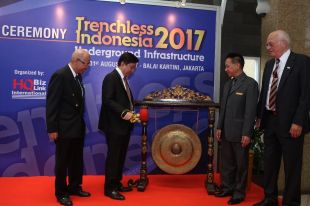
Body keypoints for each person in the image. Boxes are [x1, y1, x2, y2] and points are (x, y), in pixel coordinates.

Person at [254, 30, 310, 206]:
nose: (267, 47)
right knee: (270, 164)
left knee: (292, 167)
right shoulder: (270, 64)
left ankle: (291, 202)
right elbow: (265, 93)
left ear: (283, 43)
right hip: (270, 121)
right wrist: (259, 117)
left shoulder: (301, 61)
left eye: (270, 44)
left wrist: (298, 121)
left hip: (291, 124)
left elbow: (306, 95)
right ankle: (270, 198)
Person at [46, 49, 91, 206]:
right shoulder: (60, 75)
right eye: (87, 63)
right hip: (64, 128)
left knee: (76, 160)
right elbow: (52, 104)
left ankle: (74, 186)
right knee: (63, 162)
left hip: (77, 127)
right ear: (77, 61)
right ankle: (61, 192)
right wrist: (52, 129)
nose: (88, 67)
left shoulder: (78, 76)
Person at [215, 53, 259, 205]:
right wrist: (219, 127)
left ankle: (239, 193)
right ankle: (227, 187)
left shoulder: (250, 84)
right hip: (226, 131)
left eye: (228, 66)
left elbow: (250, 112)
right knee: (227, 163)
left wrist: (247, 133)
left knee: (241, 164)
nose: (226, 69)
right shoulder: (228, 84)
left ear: (237, 65)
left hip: (241, 132)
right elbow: (223, 108)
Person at [98, 52, 139, 200]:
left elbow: (124, 100)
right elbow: (107, 100)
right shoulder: (111, 78)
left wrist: (132, 111)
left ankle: (116, 183)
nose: (132, 70)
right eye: (131, 67)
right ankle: (109, 188)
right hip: (114, 126)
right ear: (122, 63)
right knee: (114, 157)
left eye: (134, 68)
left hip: (124, 126)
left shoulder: (123, 80)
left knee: (120, 156)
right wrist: (123, 112)